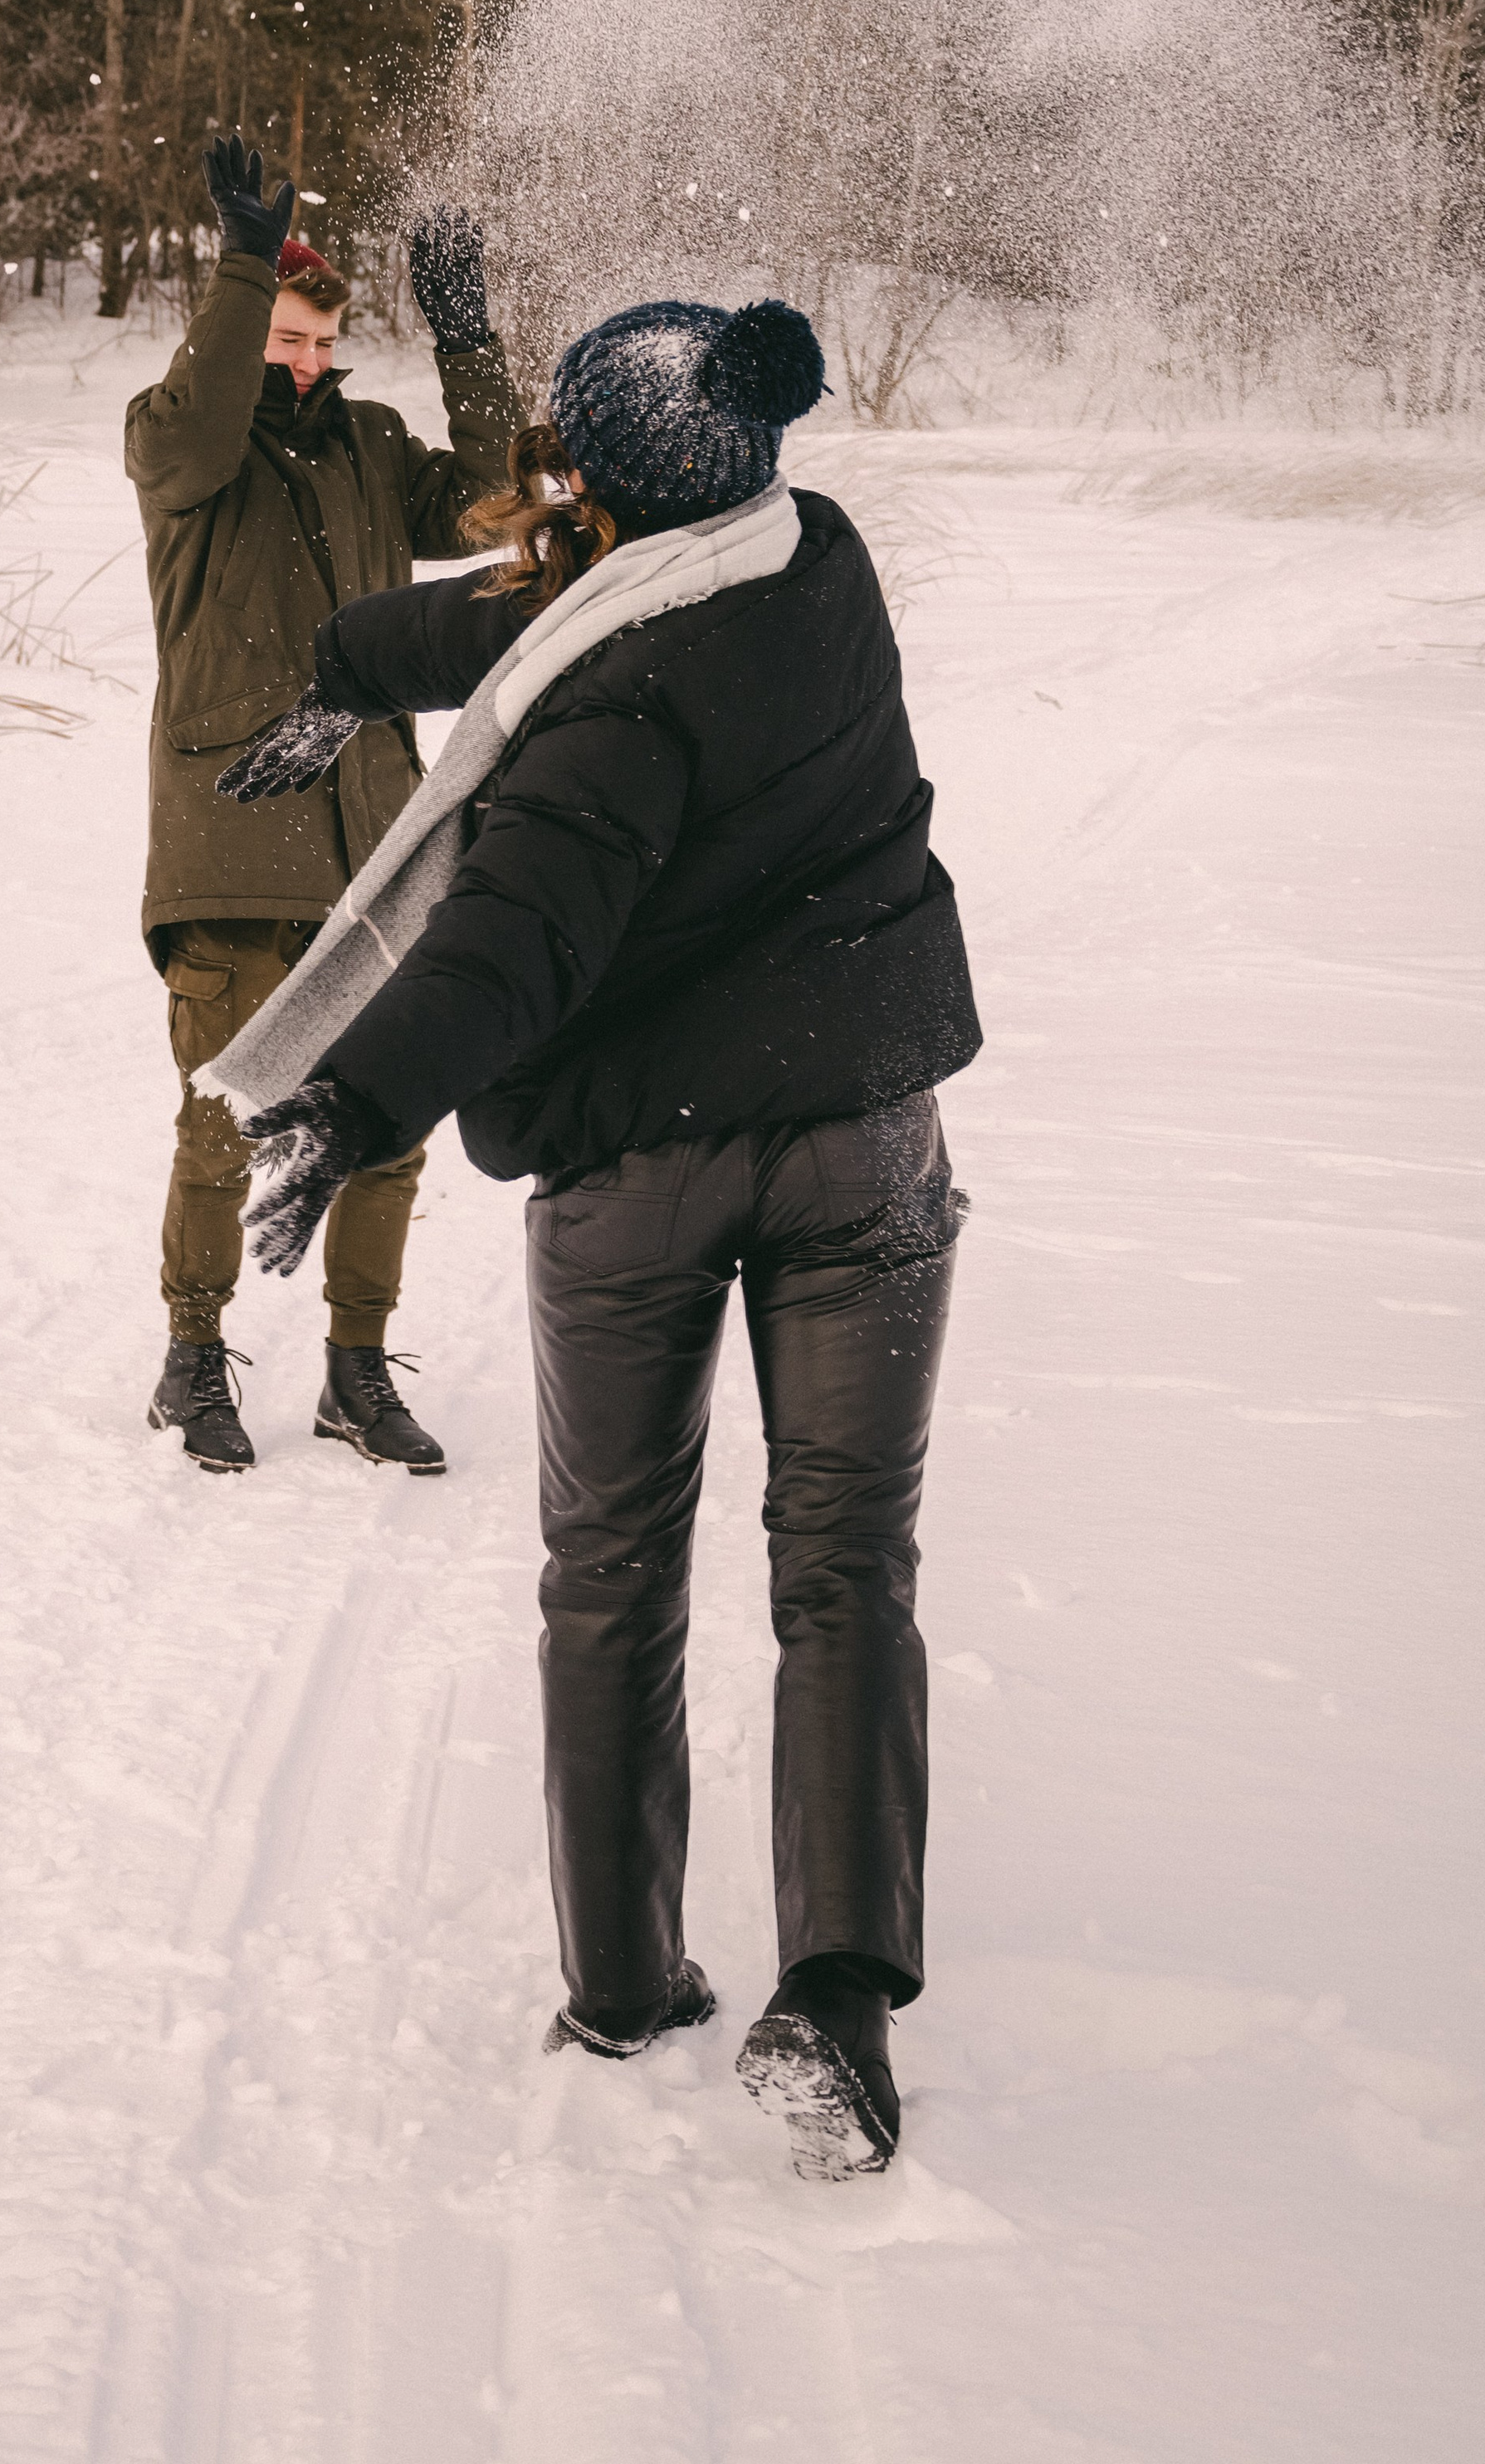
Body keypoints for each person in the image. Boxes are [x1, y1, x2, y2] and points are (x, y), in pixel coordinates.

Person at [202, 278, 983, 2180]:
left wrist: (346, 1098)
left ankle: (625, 1981)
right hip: (865, 1144)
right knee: (843, 1570)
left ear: (599, 478)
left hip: (643, 1176)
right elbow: (513, 610)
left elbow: (512, 936)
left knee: (611, 1571)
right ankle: (839, 1999)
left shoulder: (606, 695)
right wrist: (345, 658)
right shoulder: (814, 559)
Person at [123, 137, 519, 1478]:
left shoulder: (372, 445)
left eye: (321, 339)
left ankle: (356, 1370)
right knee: (224, 1118)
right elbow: (203, 417)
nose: (303, 361)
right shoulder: (181, 447)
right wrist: (244, 263)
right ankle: (192, 1356)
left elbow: (499, 503)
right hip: (234, 841)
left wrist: (467, 336)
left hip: (376, 846)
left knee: (388, 1123)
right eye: (283, 335)